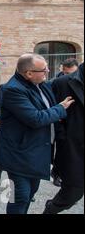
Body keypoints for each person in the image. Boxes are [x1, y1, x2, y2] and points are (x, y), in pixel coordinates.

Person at [0, 53, 74, 214]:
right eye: (43, 70)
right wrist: (60, 108)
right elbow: (35, 119)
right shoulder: (12, 90)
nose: (47, 72)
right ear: (29, 73)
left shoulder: (42, 84)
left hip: (36, 154)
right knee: (19, 197)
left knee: (30, 193)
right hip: (17, 156)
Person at [44, 63, 84, 214]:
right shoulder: (62, 83)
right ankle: (50, 209)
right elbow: (53, 114)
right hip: (74, 149)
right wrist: (63, 139)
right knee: (73, 193)